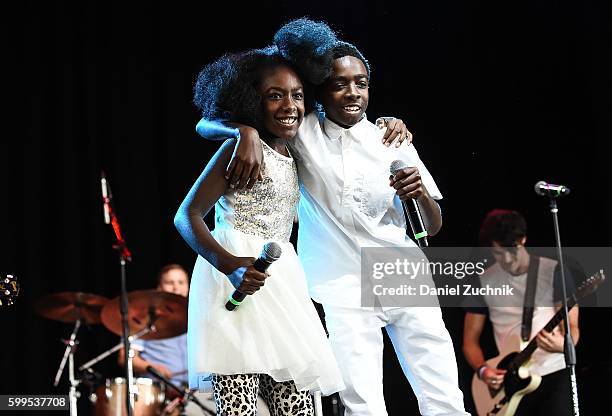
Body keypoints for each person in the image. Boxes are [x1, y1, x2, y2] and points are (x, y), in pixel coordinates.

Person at [196, 18, 469, 416]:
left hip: (402, 273)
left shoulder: (390, 137)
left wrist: (421, 193)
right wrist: (244, 132)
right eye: (340, 84)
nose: (353, 92)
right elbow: (206, 121)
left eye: (361, 83)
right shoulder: (300, 130)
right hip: (341, 281)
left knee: (441, 390)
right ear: (321, 92)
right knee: (361, 401)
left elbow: (432, 225)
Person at [174, 47, 344, 416]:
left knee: (297, 404)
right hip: (233, 277)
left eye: (297, 95)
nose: (289, 105)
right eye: (274, 95)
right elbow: (186, 215)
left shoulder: (294, 148)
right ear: (252, 101)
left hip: (282, 281)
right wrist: (229, 264)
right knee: (239, 408)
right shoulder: (238, 151)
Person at [463, 209, 579, 415]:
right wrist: (483, 370)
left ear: (523, 239)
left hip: (553, 373)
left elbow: (572, 328)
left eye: (512, 250)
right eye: (498, 252)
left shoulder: (554, 272)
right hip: (509, 380)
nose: (507, 259)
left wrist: (562, 345)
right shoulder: (482, 281)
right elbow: (469, 341)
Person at [118, 264, 220, 415]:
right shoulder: (145, 321)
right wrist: (153, 368)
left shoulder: (200, 318)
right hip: (158, 392)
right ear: (159, 288)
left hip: (195, 392)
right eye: (170, 283)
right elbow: (124, 358)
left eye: (181, 282)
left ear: (188, 286)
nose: (176, 288)